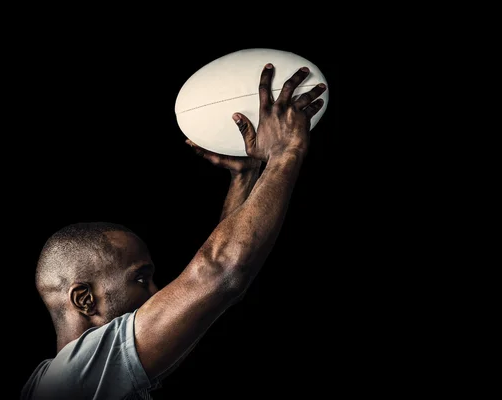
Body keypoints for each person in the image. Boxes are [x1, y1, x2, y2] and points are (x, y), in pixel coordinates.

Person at [20, 63, 327, 399]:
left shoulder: (86, 382)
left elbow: (209, 294)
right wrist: (286, 153)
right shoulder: (71, 379)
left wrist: (244, 178)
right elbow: (219, 272)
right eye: (140, 279)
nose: (156, 292)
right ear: (84, 299)